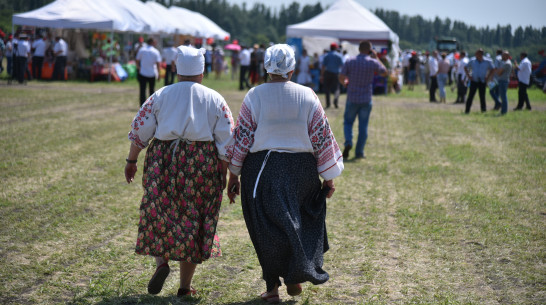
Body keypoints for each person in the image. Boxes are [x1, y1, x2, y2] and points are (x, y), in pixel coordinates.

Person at [226, 44, 343, 304]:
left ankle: (273, 288)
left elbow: (243, 138)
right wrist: (329, 177)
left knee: (265, 228)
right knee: (298, 223)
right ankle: (294, 276)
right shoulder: (308, 95)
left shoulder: (254, 95)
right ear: (292, 68)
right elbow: (322, 137)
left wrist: (233, 173)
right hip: (302, 170)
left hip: (262, 170)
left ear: (266, 67)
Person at [125, 45, 235, 297]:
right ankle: (184, 287)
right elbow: (227, 140)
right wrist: (229, 173)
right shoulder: (214, 98)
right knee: (195, 219)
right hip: (201, 163)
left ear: (176, 69)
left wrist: (131, 160)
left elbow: (141, 130)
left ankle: (161, 263)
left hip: (164, 158)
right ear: (202, 72)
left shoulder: (160, 95)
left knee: (157, 210)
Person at [339, 41, 387, 160]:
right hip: (366, 98)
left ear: (359, 49)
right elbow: (385, 72)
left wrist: (345, 84)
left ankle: (348, 142)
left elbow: (341, 76)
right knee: (363, 126)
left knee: (348, 122)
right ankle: (359, 152)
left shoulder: (350, 61)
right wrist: (377, 58)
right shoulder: (372, 62)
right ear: (370, 50)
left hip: (352, 97)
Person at [464, 48, 496, 113]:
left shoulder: (488, 61)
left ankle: (483, 110)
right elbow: (465, 67)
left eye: (479, 53)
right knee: (470, 96)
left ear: (481, 54)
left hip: (482, 81)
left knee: (482, 97)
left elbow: (493, 69)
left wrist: (488, 77)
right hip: (474, 81)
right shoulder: (472, 60)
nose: (477, 55)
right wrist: (468, 76)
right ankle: (467, 110)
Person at [136, 38, 161, 106]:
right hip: (152, 73)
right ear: (152, 43)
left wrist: (139, 68)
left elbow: (137, 60)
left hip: (143, 72)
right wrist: (158, 74)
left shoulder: (142, 50)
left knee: (142, 90)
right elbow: (158, 63)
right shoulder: (155, 51)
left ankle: (142, 105)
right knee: (151, 90)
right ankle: (151, 105)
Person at [320, 43, 344, 108]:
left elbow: (323, 66)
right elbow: (342, 66)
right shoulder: (339, 56)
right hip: (336, 73)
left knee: (327, 89)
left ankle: (328, 104)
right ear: (336, 48)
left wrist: (322, 75)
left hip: (327, 73)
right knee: (337, 88)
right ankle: (335, 100)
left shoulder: (326, 55)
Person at [495, 50, 512, 115]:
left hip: (503, 81)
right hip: (503, 81)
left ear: (507, 56)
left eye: (503, 55)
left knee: (503, 97)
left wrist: (497, 70)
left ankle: (503, 111)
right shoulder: (506, 62)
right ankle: (503, 111)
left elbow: (499, 73)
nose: (502, 56)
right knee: (503, 97)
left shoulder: (507, 63)